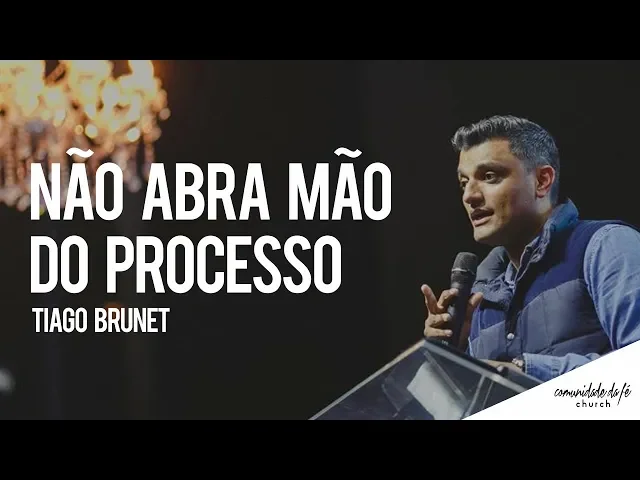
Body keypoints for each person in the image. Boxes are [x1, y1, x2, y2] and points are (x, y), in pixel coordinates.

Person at [422, 114, 640, 382]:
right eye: (464, 183)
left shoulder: (607, 247)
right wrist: (452, 356)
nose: (470, 196)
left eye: (489, 176)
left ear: (542, 181)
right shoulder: (479, 301)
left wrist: (523, 372)